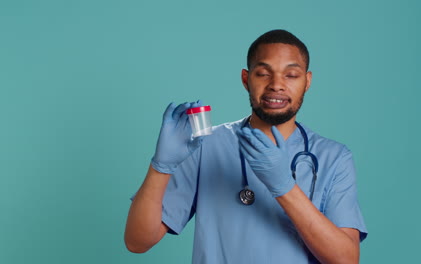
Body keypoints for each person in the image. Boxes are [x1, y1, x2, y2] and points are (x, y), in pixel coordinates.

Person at [124, 29, 367, 263]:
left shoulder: (333, 158)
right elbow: (137, 242)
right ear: (245, 79)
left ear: (307, 81)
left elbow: (346, 259)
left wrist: (284, 187)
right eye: (263, 73)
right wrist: (160, 167)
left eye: (291, 75)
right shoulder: (206, 146)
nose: (276, 85)